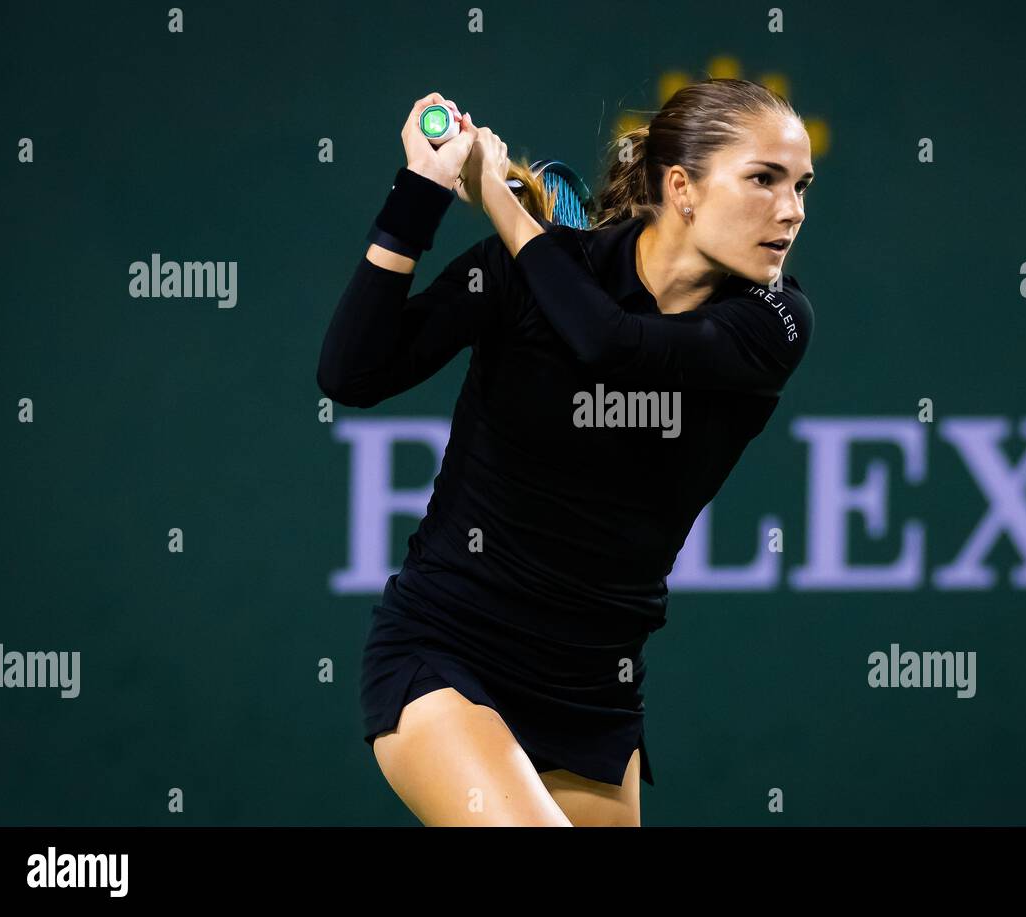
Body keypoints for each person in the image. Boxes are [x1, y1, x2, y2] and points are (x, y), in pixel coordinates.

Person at [317, 79, 815, 826]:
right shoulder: (519, 276)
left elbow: (615, 345)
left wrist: (502, 202)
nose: (792, 210)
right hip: (449, 655)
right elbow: (351, 373)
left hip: (595, 691)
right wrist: (420, 191)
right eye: (764, 180)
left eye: (802, 186)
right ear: (681, 187)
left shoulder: (774, 319)